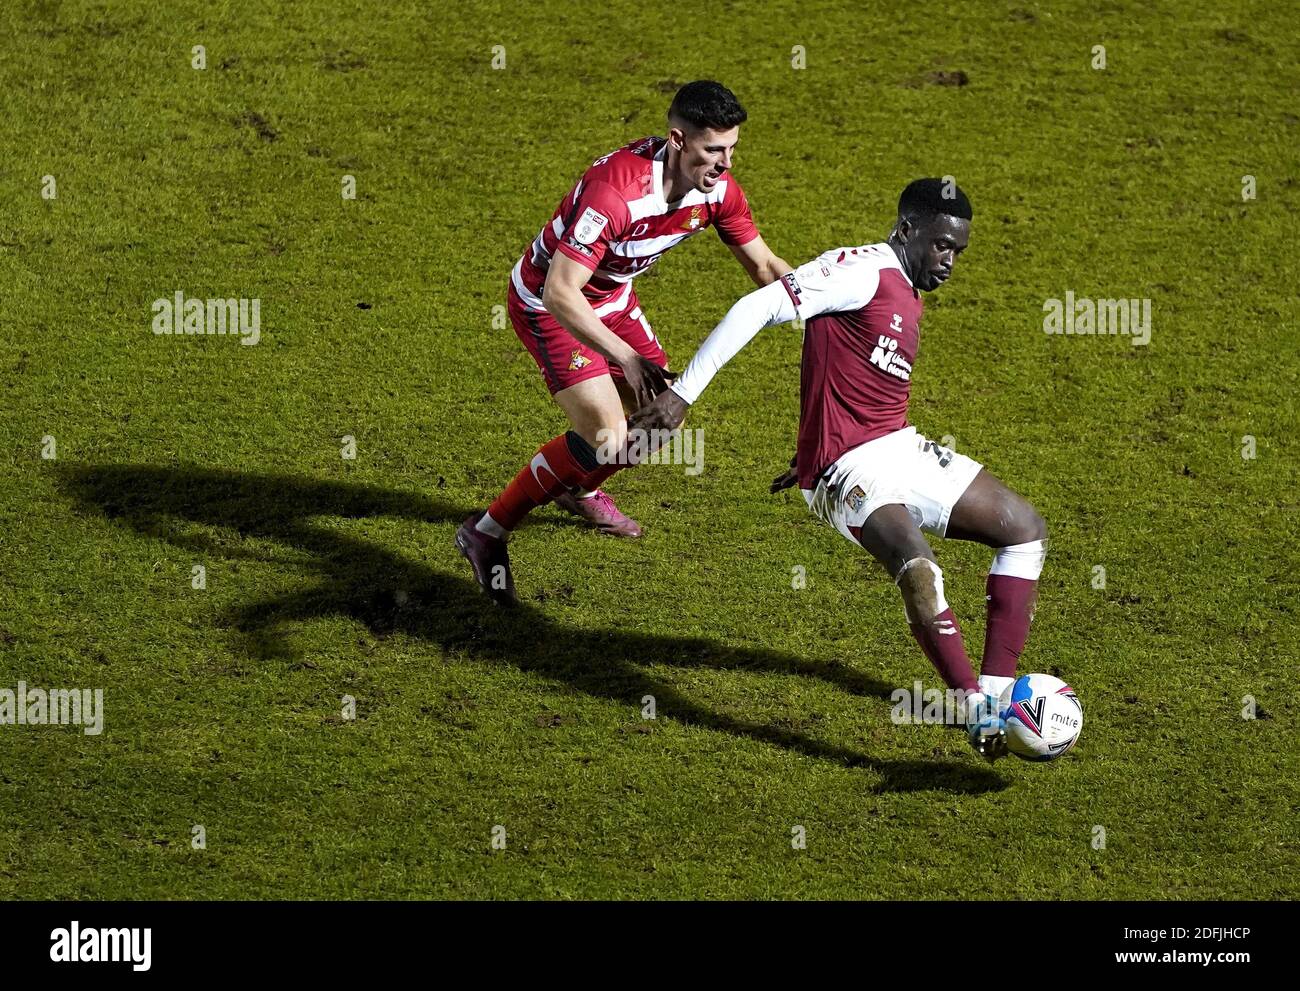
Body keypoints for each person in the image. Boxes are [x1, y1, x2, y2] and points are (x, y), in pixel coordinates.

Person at [629, 179, 1048, 761]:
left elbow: (846, 373)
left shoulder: (906, 285)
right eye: (941, 246)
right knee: (919, 571)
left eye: (959, 251)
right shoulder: (860, 271)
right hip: (843, 468)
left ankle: (1000, 696)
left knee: (1025, 529)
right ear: (906, 230)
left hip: (897, 445)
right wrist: (682, 395)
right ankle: (975, 708)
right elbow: (758, 305)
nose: (949, 261)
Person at [457, 80, 792, 606]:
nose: (724, 164)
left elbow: (765, 265)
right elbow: (560, 289)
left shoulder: (718, 191)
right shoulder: (616, 193)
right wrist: (627, 358)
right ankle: (486, 531)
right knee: (609, 436)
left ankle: (576, 487)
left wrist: (828, 304)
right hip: (550, 306)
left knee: (657, 423)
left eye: (731, 149)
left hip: (611, 300)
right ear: (678, 141)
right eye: (712, 150)